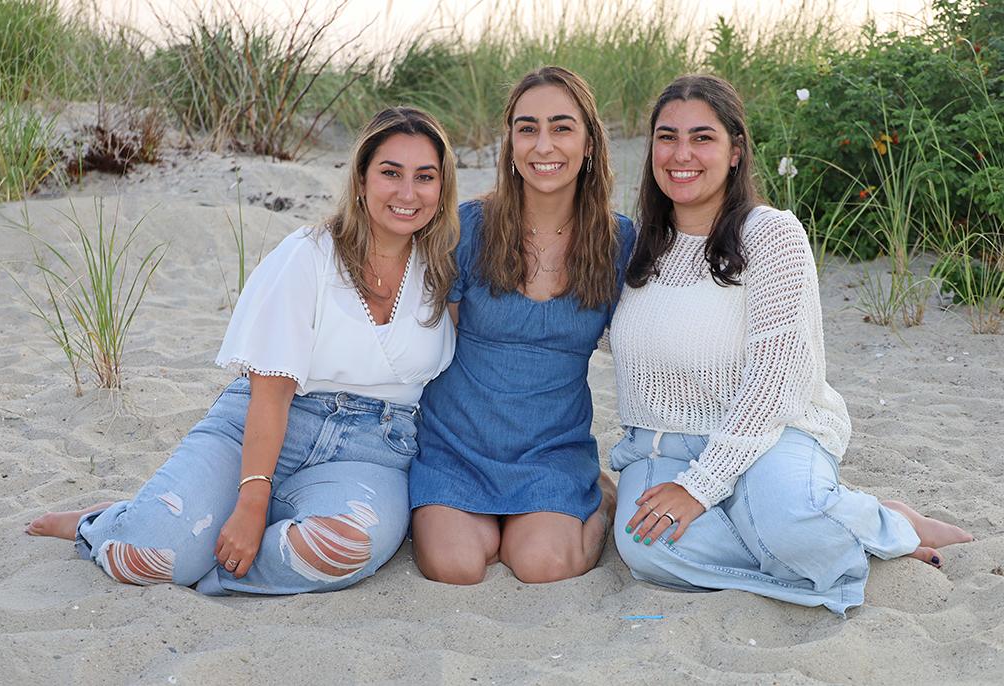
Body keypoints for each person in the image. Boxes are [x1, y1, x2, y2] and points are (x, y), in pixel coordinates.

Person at [25, 107, 460, 595]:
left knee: (338, 550)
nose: (407, 193)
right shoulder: (309, 255)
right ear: (361, 179)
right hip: (267, 423)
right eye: (390, 173)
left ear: (442, 189)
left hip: (373, 450)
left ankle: (207, 567)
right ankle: (108, 522)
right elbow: (270, 395)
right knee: (144, 558)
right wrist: (252, 501)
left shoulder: (446, 267)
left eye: (425, 177)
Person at [608, 74, 973, 615]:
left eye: (702, 137)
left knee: (789, 524)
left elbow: (775, 383)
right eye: (667, 137)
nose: (681, 154)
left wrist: (702, 486)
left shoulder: (770, 234)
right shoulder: (637, 246)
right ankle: (843, 544)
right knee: (647, 550)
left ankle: (887, 522)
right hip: (662, 445)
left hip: (772, 433)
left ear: (735, 151)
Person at [408, 66, 636, 585]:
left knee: (542, 565)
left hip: (550, 450)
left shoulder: (618, 242)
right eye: (527, 128)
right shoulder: (466, 229)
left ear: (590, 143)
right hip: (457, 446)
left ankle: (599, 494)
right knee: (455, 566)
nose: (543, 145)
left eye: (561, 127)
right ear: (509, 143)